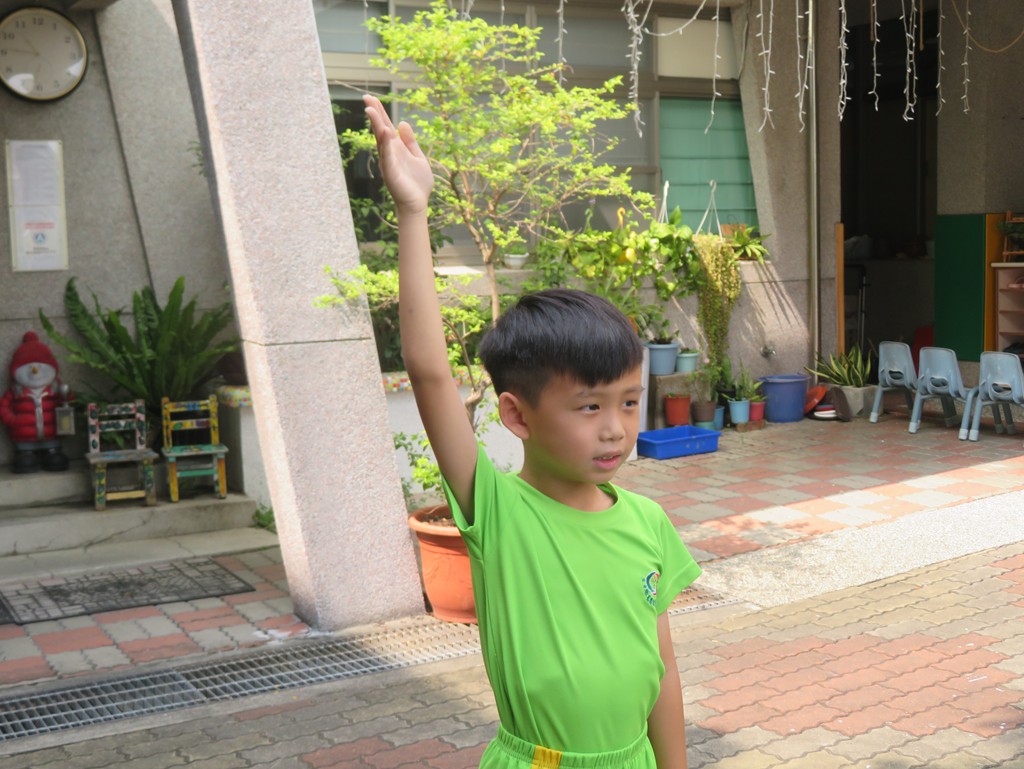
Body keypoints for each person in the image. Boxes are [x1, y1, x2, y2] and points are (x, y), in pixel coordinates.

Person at [363, 93, 701, 769]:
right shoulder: (498, 511)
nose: (616, 430)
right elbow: (429, 372)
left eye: (629, 403)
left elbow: (662, 668)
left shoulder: (648, 522)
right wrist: (414, 212)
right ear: (517, 415)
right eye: (589, 407)